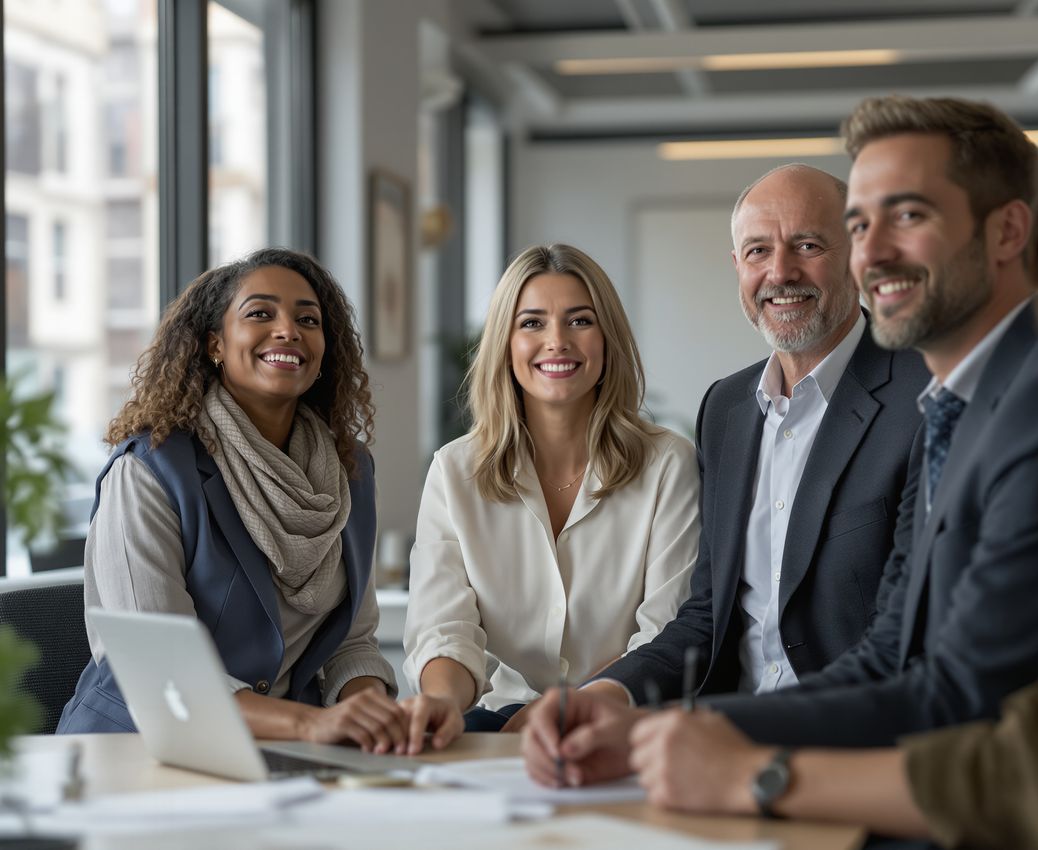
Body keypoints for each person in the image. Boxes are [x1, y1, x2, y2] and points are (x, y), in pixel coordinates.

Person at [622, 19, 1038, 850]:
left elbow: (1034, 749)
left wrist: (754, 772)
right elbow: (899, 657)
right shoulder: (957, 403)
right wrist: (694, 733)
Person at [525, 96, 1038, 788]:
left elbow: (962, 697)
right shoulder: (952, 400)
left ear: (1008, 232)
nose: (873, 251)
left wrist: (747, 774)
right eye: (861, 225)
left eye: (909, 215)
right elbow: (883, 651)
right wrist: (634, 715)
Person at [522, 164, 931, 781]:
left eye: (809, 246)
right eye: (757, 251)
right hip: (715, 752)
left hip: (852, 754)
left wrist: (723, 731)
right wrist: (603, 696)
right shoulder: (727, 409)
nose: (780, 272)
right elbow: (705, 617)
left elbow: (903, 642)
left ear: (856, 256)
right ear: (736, 266)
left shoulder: (921, 395)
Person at [59, 248, 409, 752]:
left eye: (307, 319)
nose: (288, 330)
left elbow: (351, 643)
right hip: (141, 751)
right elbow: (160, 670)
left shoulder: (349, 470)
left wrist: (369, 710)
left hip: (282, 754)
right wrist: (308, 724)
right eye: (260, 314)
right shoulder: (149, 469)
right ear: (215, 344)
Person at [398, 243, 700, 747]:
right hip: (495, 719)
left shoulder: (668, 464)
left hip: (622, 718)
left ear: (608, 340)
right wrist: (441, 704)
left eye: (580, 321)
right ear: (505, 343)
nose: (556, 341)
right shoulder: (455, 470)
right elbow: (444, 627)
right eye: (532, 323)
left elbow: (665, 631)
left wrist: (572, 707)